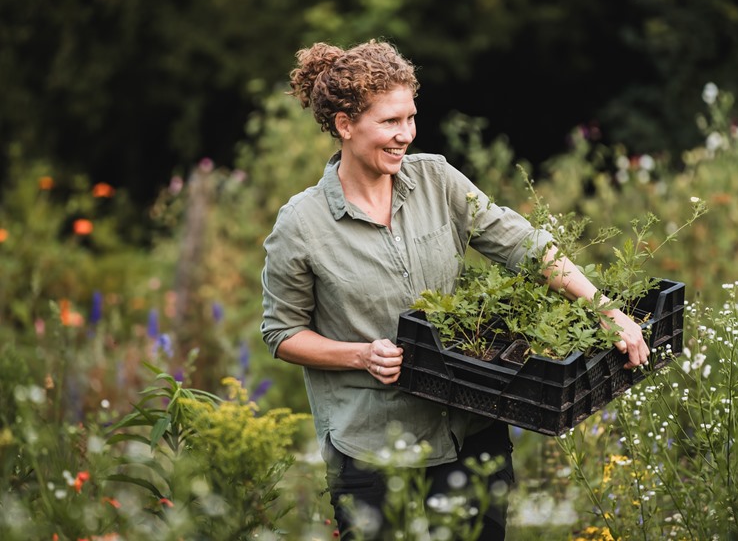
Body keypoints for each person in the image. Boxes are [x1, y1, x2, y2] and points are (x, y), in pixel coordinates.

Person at [260, 39, 649, 540]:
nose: (405, 135)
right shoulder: (302, 224)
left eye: (410, 118)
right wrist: (361, 355)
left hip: (470, 426)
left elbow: (527, 247)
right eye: (389, 122)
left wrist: (605, 309)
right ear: (345, 125)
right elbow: (282, 331)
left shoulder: (437, 180)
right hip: (374, 446)